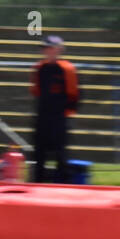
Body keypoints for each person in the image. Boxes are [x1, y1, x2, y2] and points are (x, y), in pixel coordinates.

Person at [30, 35, 80, 183]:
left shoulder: (67, 68)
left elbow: (74, 93)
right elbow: (36, 91)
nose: (49, 51)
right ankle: (38, 182)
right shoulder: (39, 67)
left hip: (59, 115)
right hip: (43, 113)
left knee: (60, 151)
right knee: (39, 151)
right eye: (46, 48)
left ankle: (62, 183)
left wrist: (66, 113)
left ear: (59, 49)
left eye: (52, 48)